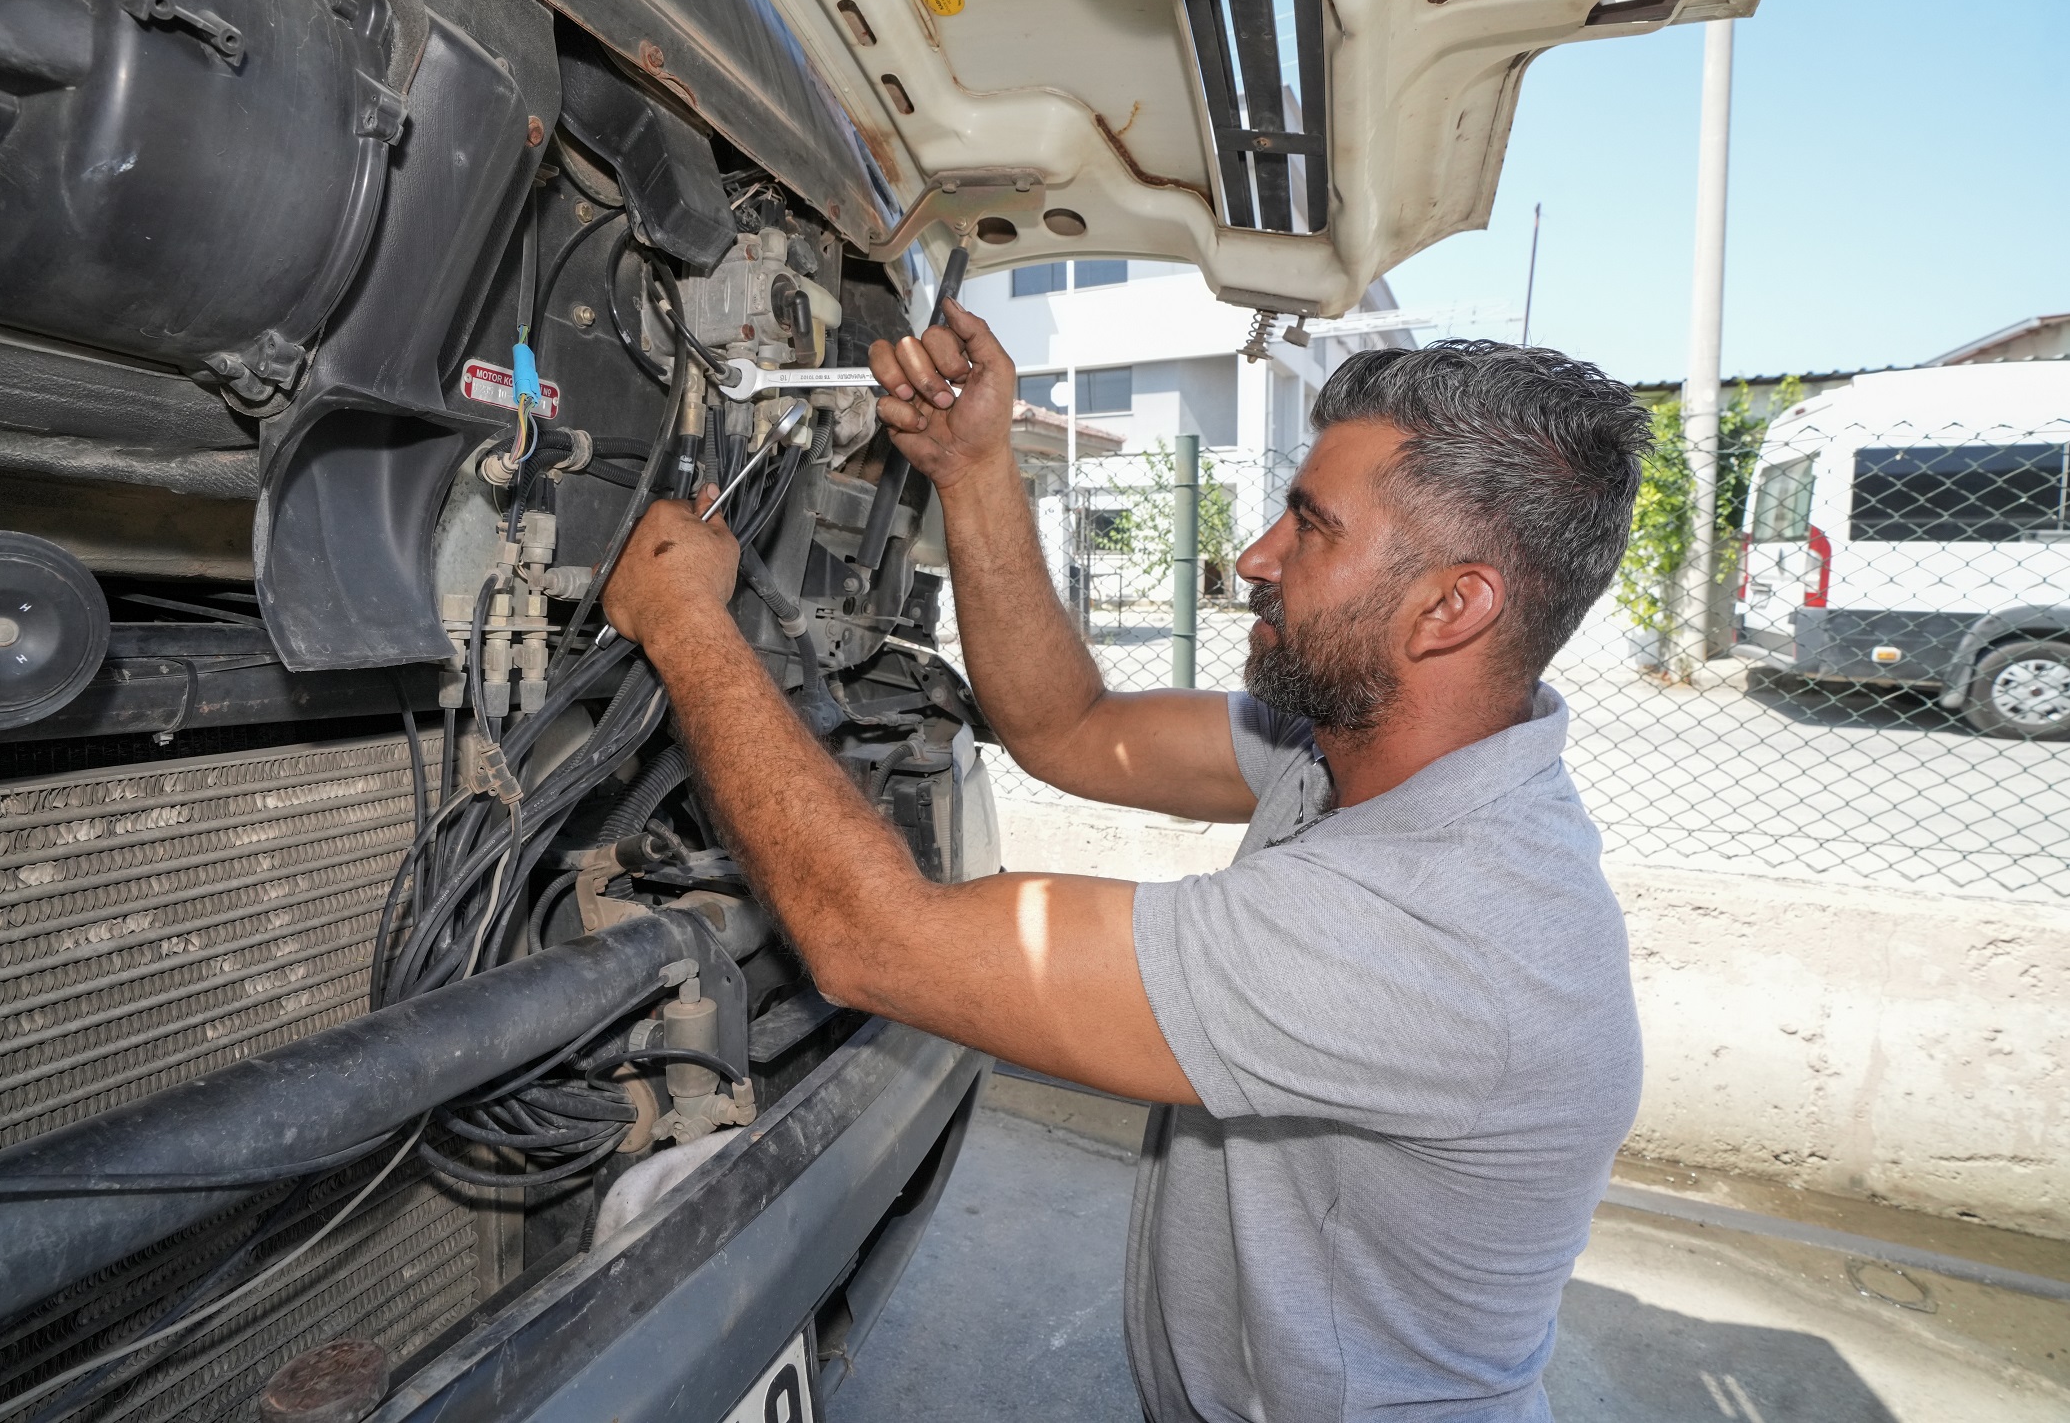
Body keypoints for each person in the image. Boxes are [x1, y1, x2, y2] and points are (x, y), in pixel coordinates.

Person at [600, 300, 1651, 1421]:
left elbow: (876, 944)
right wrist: (972, 467)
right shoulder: (1360, 743)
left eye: (1312, 525)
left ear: (1452, 606)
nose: (1255, 557)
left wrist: (685, 625)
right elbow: (1071, 725)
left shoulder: (1439, 932)